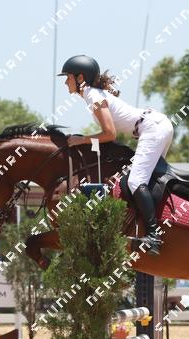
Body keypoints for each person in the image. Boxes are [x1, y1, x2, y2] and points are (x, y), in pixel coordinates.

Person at [58, 54, 173, 255]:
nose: (65, 82)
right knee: (150, 181)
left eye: (68, 77)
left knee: (135, 182)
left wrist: (81, 140)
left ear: (80, 78)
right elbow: (107, 136)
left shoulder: (92, 95)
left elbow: (109, 134)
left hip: (152, 128)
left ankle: (154, 236)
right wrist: (87, 142)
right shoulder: (93, 95)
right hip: (156, 126)